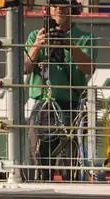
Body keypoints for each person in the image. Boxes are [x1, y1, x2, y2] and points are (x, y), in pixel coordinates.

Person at [23, 0, 97, 180]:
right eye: (54, 4)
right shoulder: (36, 35)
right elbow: (24, 68)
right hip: (43, 104)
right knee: (39, 158)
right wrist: (37, 46)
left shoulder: (84, 37)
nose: (58, 8)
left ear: (73, 8)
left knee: (69, 162)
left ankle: (70, 195)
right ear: (47, 9)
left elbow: (89, 69)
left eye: (63, 4)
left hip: (71, 105)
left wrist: (70, 45)